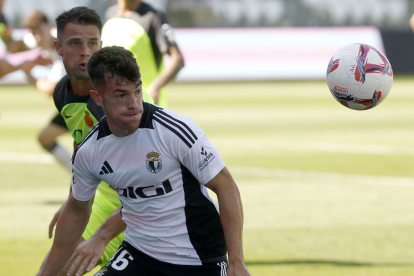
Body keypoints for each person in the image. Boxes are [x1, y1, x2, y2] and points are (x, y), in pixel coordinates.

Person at [40, 45, 251, 276]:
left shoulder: (174, 130)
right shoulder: (90, 150)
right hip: (138, 254)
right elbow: (76, 211)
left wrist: (236, 262)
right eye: (121, 94)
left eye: (137, 91)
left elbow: (226, 186)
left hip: (198, 257)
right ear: (97, 97)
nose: (133, 103)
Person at [35, 7, 154, 276]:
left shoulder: (115, 100)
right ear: (58, 47)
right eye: (75, 43)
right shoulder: (62, 92)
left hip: (152, 205)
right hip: (108, 198)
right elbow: (82, 146)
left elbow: (149, 185)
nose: (85, 52)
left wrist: (100, 237)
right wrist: (73, 201)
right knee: (54, 269)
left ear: (101, 46)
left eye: (92, 43)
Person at [104, 0, 184, 107]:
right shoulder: (110, 14)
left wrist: (155, 87)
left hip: (143, 104)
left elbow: (178, 60)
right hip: (113, 104)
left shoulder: (153, 17)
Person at [20, 10, 72, 171]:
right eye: (33, 34)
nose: (36, 39)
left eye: (38, 33)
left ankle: (82, 180)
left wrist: (29, 75)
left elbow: (50, 90)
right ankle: (81, 179)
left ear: (47, 26)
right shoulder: (53, 37)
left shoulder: (61, 43)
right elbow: (24, 42)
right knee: (45, 138)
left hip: (86, 104)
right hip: (77, 102)